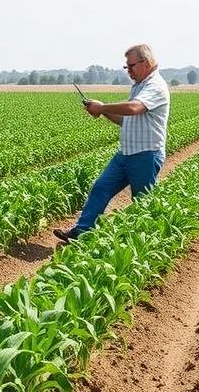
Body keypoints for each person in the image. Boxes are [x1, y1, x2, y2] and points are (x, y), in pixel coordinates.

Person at [53, 43, 170, 243]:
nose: (129, 71)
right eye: (127, 67)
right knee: (101, 188)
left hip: (146, 155)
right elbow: (126, 120)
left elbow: (133, 108)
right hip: (126, 153)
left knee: (142, 203)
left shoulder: (155, 85)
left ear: (146, 62)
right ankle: (82, 232)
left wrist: (103, 105)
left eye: (131, 66)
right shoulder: (139, 86)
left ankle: (144, 245)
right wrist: (103, 111)